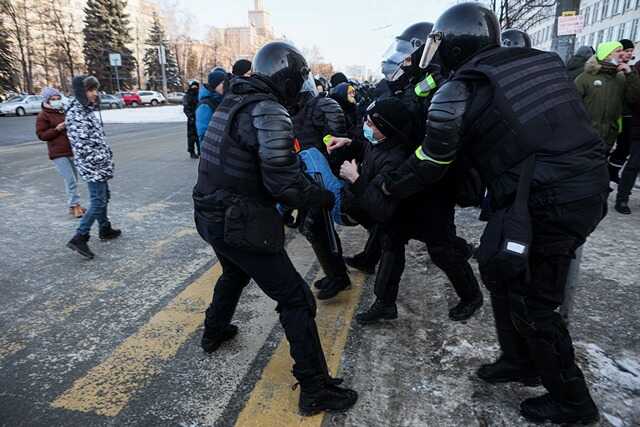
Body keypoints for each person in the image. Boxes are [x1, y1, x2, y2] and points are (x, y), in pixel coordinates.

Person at [379, 3, 608, 424]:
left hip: (549, 200)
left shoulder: (461, 89)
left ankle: (573, 401)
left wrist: (388, 184)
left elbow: (432, 161)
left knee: (534, 303)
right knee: (500, 270)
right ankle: (517, 360)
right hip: (572, 186)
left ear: (449, 44)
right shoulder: (542, 63)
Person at [192, 41, 357, 416]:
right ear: (285, 79)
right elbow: (285, 183)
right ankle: (315, 388)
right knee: (296, 299)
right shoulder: (268, 111)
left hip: (210, 213)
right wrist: (323, 198)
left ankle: (214, 331)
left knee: (234, 272)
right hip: (238, 220)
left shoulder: (233, 101)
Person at [292, 75, 353, 300]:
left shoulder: (322, 105)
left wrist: (333, 177)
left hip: (324, 178)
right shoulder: (292, 110)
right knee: (313, 230)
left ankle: (339, 276)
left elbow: (337, 142)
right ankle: (336, 273)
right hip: (307, 178)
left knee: (320, 228)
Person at [65, 76, 121, 260]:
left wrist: (106, 156)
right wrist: (100, 160)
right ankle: (80, 236)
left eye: (95, 90)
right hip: (93, 165)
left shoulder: (86, 110)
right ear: (82, 92)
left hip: (99, 163)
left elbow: (97, 139)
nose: (94, 94)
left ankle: (104, 228)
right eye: (90, 90)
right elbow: (83, 146)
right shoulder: (76, 114)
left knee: (105, 196)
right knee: (98, 201)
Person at [575, 41, 640, 153]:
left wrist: (630, 74)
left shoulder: (621, 77)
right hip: (586, 136)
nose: (623, 54)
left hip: (609, 136)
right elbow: (573, 106)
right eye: (618, 51)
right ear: (607, 55)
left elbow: (633, 98)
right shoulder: (585, 77)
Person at [35, 86, 85, 218]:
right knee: (70, 180)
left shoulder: (64, 111)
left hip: (71, 150)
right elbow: (41, 135)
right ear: (48, 100)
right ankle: (75, 205)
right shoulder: (43, 115)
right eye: (53, 99)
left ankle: (74, 205)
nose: (56, 100)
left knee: (74, 179)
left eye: (58, 98)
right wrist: (57, 129)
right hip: (57, 153)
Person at [609, 39, 637, 182]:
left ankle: (612, 170)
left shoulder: (631, 70)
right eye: (626, 51)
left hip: (626, 114)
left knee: (624, 147)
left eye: (631, 52)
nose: (628, 54)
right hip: (612, 113)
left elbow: (634, 94)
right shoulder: (610, 68)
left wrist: (630, 73)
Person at [615, 60, 640, 214]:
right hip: (639, 126)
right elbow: (634, 99)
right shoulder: (637, 70)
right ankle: (622, 199)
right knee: (633, 165)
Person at [195, 67, 227, 146]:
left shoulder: (221, 99)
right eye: (222, 83)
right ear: (215, 84)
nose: (225, 86)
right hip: (212, 149)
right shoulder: (205, 105)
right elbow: (203, 133)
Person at [183, 80, 200, 159]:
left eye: (196, 86)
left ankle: (200, 151)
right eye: (193, 86)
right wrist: (190, 116)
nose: (194, 88)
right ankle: (192, 152)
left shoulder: (200, 95)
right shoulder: (187, 96)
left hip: (200, 118)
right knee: (191, 136)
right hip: (192, 119)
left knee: (199, 135)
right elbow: (186, 108)